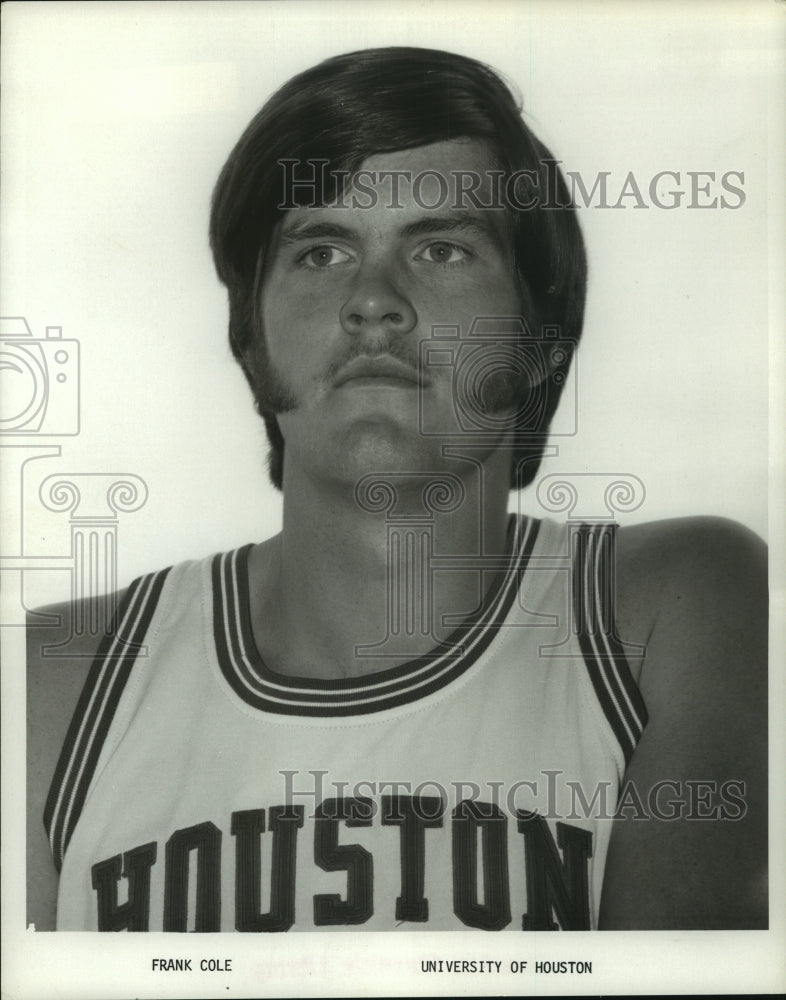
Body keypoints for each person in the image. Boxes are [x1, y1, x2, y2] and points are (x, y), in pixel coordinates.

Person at [27, 46, 767, 932]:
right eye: (322, 250)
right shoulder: (57, 678)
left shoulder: (670, 606)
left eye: (444, 248)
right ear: (249, 333)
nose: (374, 301)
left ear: (541, 341)